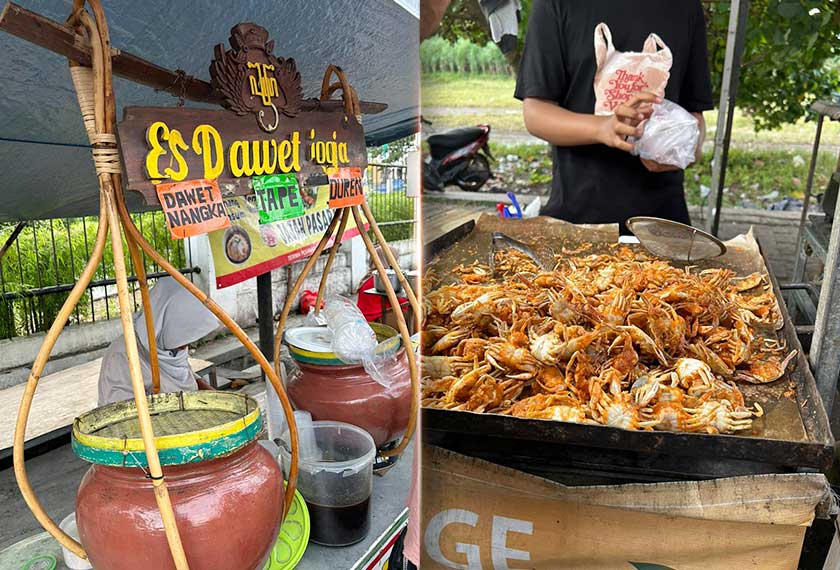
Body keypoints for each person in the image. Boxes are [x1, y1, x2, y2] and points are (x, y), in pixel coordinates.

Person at [515, 0, 713, 230]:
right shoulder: (557, 4)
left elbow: (695, 118)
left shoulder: (685, 7)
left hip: (663, 226)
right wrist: (604, 128)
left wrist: (685, 149)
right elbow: (536, 113)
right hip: (579, 222)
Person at [98, 277, 219, 406]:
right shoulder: (122, 356)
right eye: (183, 335)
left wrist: (215, 397)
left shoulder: (170, 347)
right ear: (163, 323)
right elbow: (120, 414)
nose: (185, 346)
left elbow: (185, 375)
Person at [355, 244, 410, 329]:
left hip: (365, 317)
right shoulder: (381, 278)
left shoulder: (371, 275)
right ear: (387, 259)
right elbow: (398, 300)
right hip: (373, 319)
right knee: (412, 313)